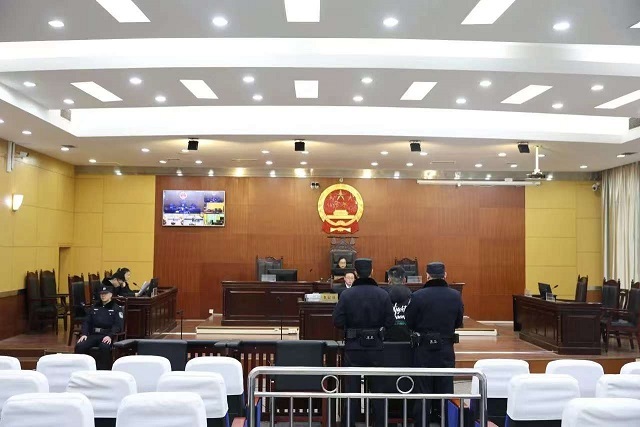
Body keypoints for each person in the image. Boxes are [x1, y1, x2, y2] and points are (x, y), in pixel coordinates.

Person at [333, 258, 395, 427]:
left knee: (351, 391)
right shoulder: (383, 294)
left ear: (355, 273)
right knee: (378, 391)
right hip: (376, 346)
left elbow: (337, 321)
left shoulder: (347, 294)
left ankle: (349, 423)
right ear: (372, 272)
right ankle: (380, 423)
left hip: (353, 347)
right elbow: (390, 320)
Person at [405, 262, 463, 425]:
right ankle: (445, 421)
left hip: (423, 348)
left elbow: (409, 321)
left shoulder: (418, 295)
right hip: (445, 347)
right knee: (445, 389)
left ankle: (422, 422)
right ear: (445, 275)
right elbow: (458, 321)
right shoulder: (455, 295)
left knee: (423, 390)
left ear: (427, 275)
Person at [75, 285, 124, 370]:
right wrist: (84, 334)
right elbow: (86, 321)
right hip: (94, 334)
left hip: (107, 335)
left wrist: (110, 335)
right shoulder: (95, 306)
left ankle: (104, 370)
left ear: (111, 295)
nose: (103, 295)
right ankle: (81, 369)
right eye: (101, 294)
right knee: (80, 346)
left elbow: (118, 325)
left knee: (104, 347)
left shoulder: (116, 308)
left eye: (105, 294)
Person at [385, 266, 412, 342]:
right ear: (404, 280)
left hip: (386, 339)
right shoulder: (414, 296)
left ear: (389, 280)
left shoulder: (382, 296)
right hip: (409, 339)